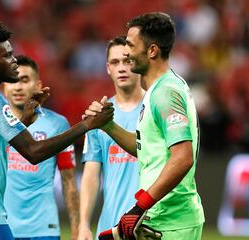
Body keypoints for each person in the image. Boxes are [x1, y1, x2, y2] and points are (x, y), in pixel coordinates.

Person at [0, 21, 113, 240]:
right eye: (7, 56)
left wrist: (23, 121)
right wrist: (87, 125)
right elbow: (33, 152)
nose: (14, 61)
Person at [85, 12, 205, 240]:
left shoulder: (165, 93)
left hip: (172, 223)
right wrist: (108, 126)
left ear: (152, 51)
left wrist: (140, 206)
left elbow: (183, 157)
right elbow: (146, 148)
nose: (126, 52)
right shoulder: (159, 90)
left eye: (130, 45)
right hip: (163, 220)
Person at [3, 55, 79, 240]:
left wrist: (77, 230)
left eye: (25, 80)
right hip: (1, 226)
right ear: (4, 87)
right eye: (13, 81)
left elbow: (69, 181)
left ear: (38, 86)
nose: (18, 87)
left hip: (44, 229)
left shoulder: (58, 124)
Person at [78, 36, 144, 240]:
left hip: (147, 226)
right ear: (108, 68)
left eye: (127, 61)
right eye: (115, 63)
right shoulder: (98, 116)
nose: (121, 68)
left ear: (138, 63)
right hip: (110, 227)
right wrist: (83, 225)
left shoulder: (155, 108)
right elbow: (91, 174)